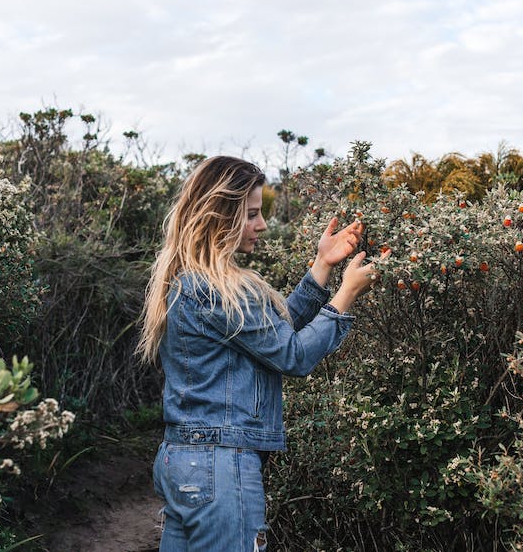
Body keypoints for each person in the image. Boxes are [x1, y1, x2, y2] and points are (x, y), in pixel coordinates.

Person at [137, 156, 377, 551]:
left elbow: (270, 335)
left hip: (182, 460)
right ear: (219, 217)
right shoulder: (216, 287)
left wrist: (322, 265)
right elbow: (293, 355)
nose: (261, 224)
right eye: (251, 214)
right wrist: (345, 294)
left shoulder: (191, 281)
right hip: (221, 468)